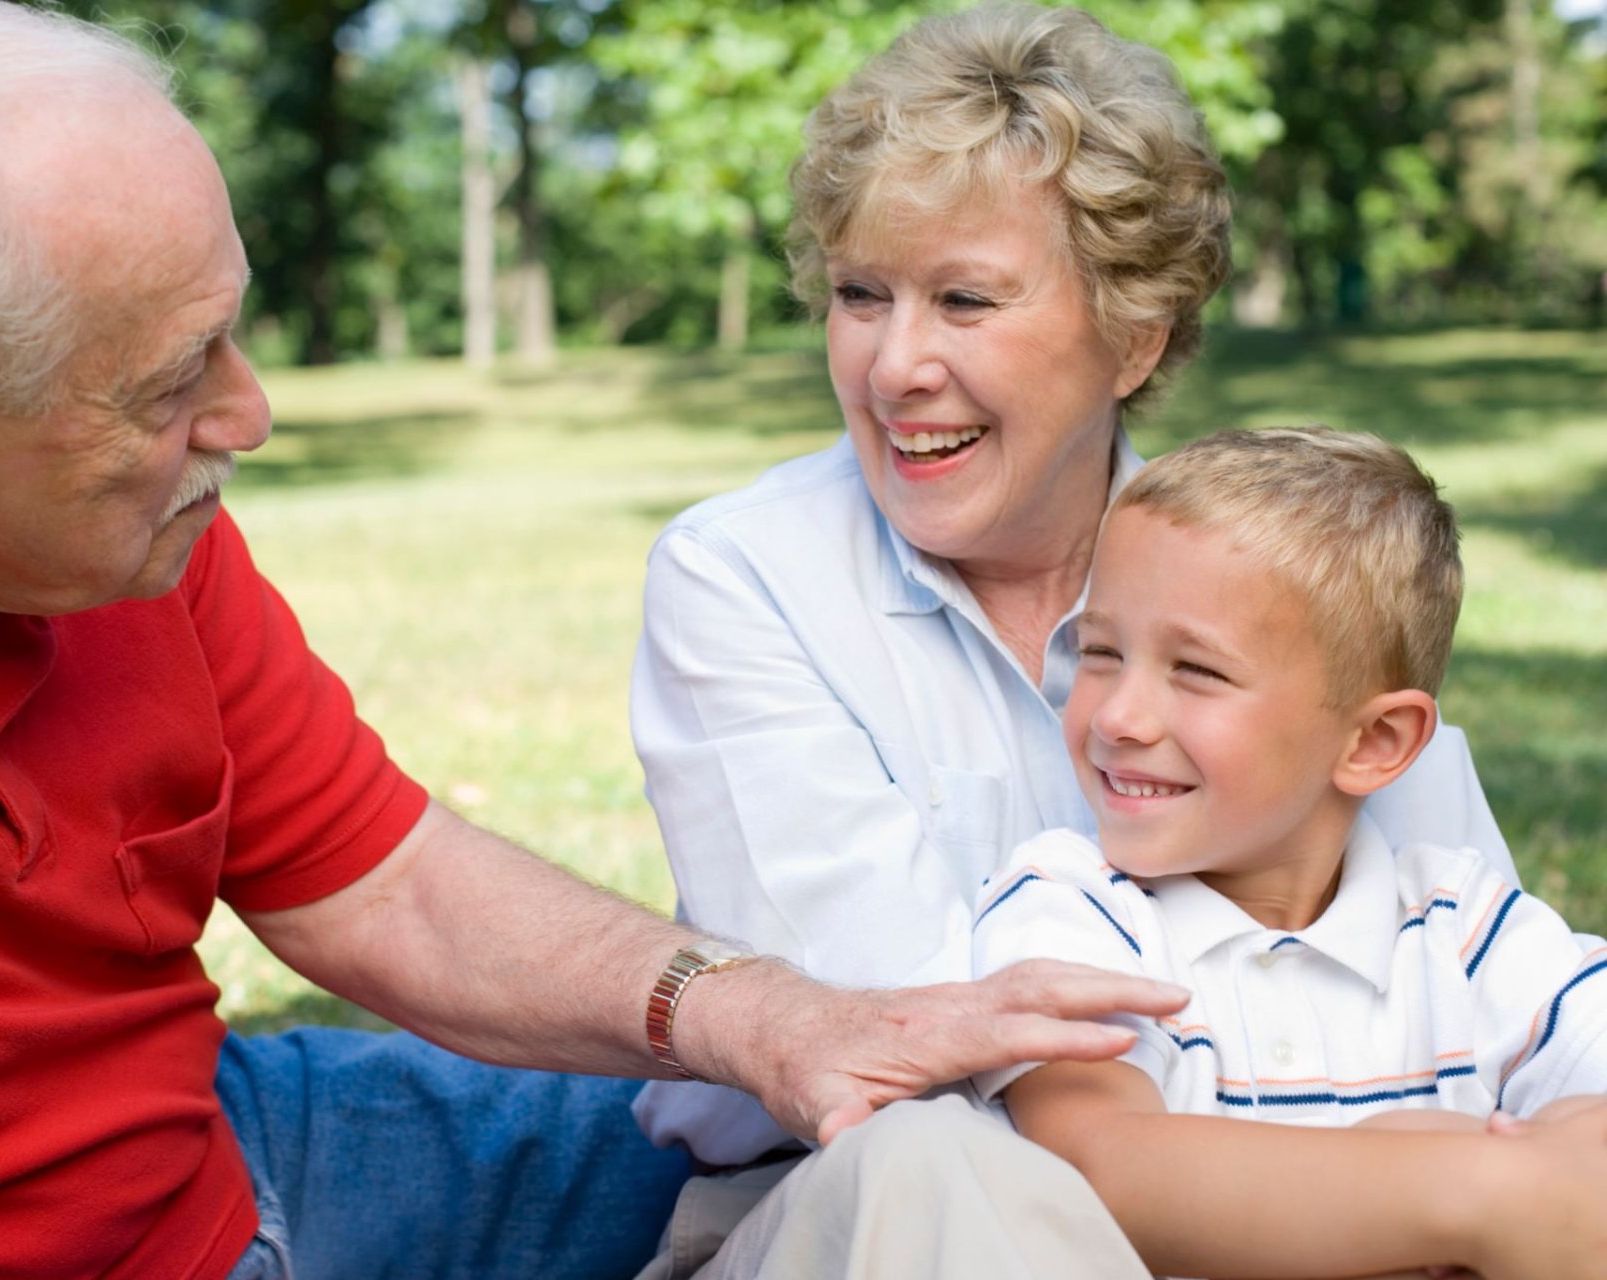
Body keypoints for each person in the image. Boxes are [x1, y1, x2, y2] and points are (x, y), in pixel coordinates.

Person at [0, 3, 1192, 1278]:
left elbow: (387, 887)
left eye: (227, 329)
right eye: (167, 388)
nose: (248, 415)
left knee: (828, 1147)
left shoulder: (129, 537)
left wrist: (766, 1019)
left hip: (234, 1137)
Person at [630, 5, 1519, 1275]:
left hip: (1327, 1214)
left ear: (1134, 335)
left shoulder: (1277, 583)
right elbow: (907, 1052)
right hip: (863, 1209)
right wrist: (1454, 1188)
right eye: (860, 295)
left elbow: (1480, 959)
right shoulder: (746, 576)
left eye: (967, 300)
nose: (895, 365)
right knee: (925, 1160)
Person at [971, 427, 1607, 1279]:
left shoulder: (1468, 932)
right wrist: (1477, 1188)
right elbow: (1102, 1168)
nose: (1120, 715)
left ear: (1376, 741)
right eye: (1100, 653)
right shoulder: (1070, 907)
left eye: (1195, 670)